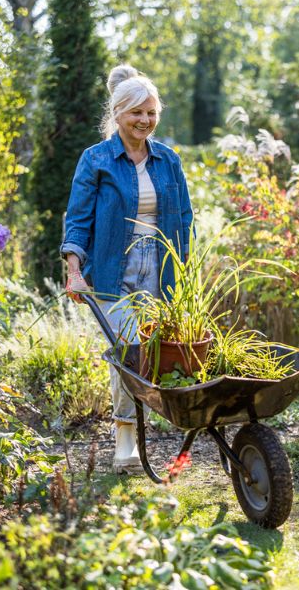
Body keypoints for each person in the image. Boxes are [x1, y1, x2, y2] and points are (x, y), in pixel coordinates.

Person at [60, 64, 193, 474]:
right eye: (136, 112)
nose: (145, 120)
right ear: (117, 113)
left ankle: (153, 430)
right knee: (129, 353)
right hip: (114, 271)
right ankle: (126, 442)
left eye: (151, 112)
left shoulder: (168, 160)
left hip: (161, 270)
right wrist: (74, 269)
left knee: (157, 352)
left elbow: (184, 218)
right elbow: (78, 220)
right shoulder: (96, 159)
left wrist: (185, 275)